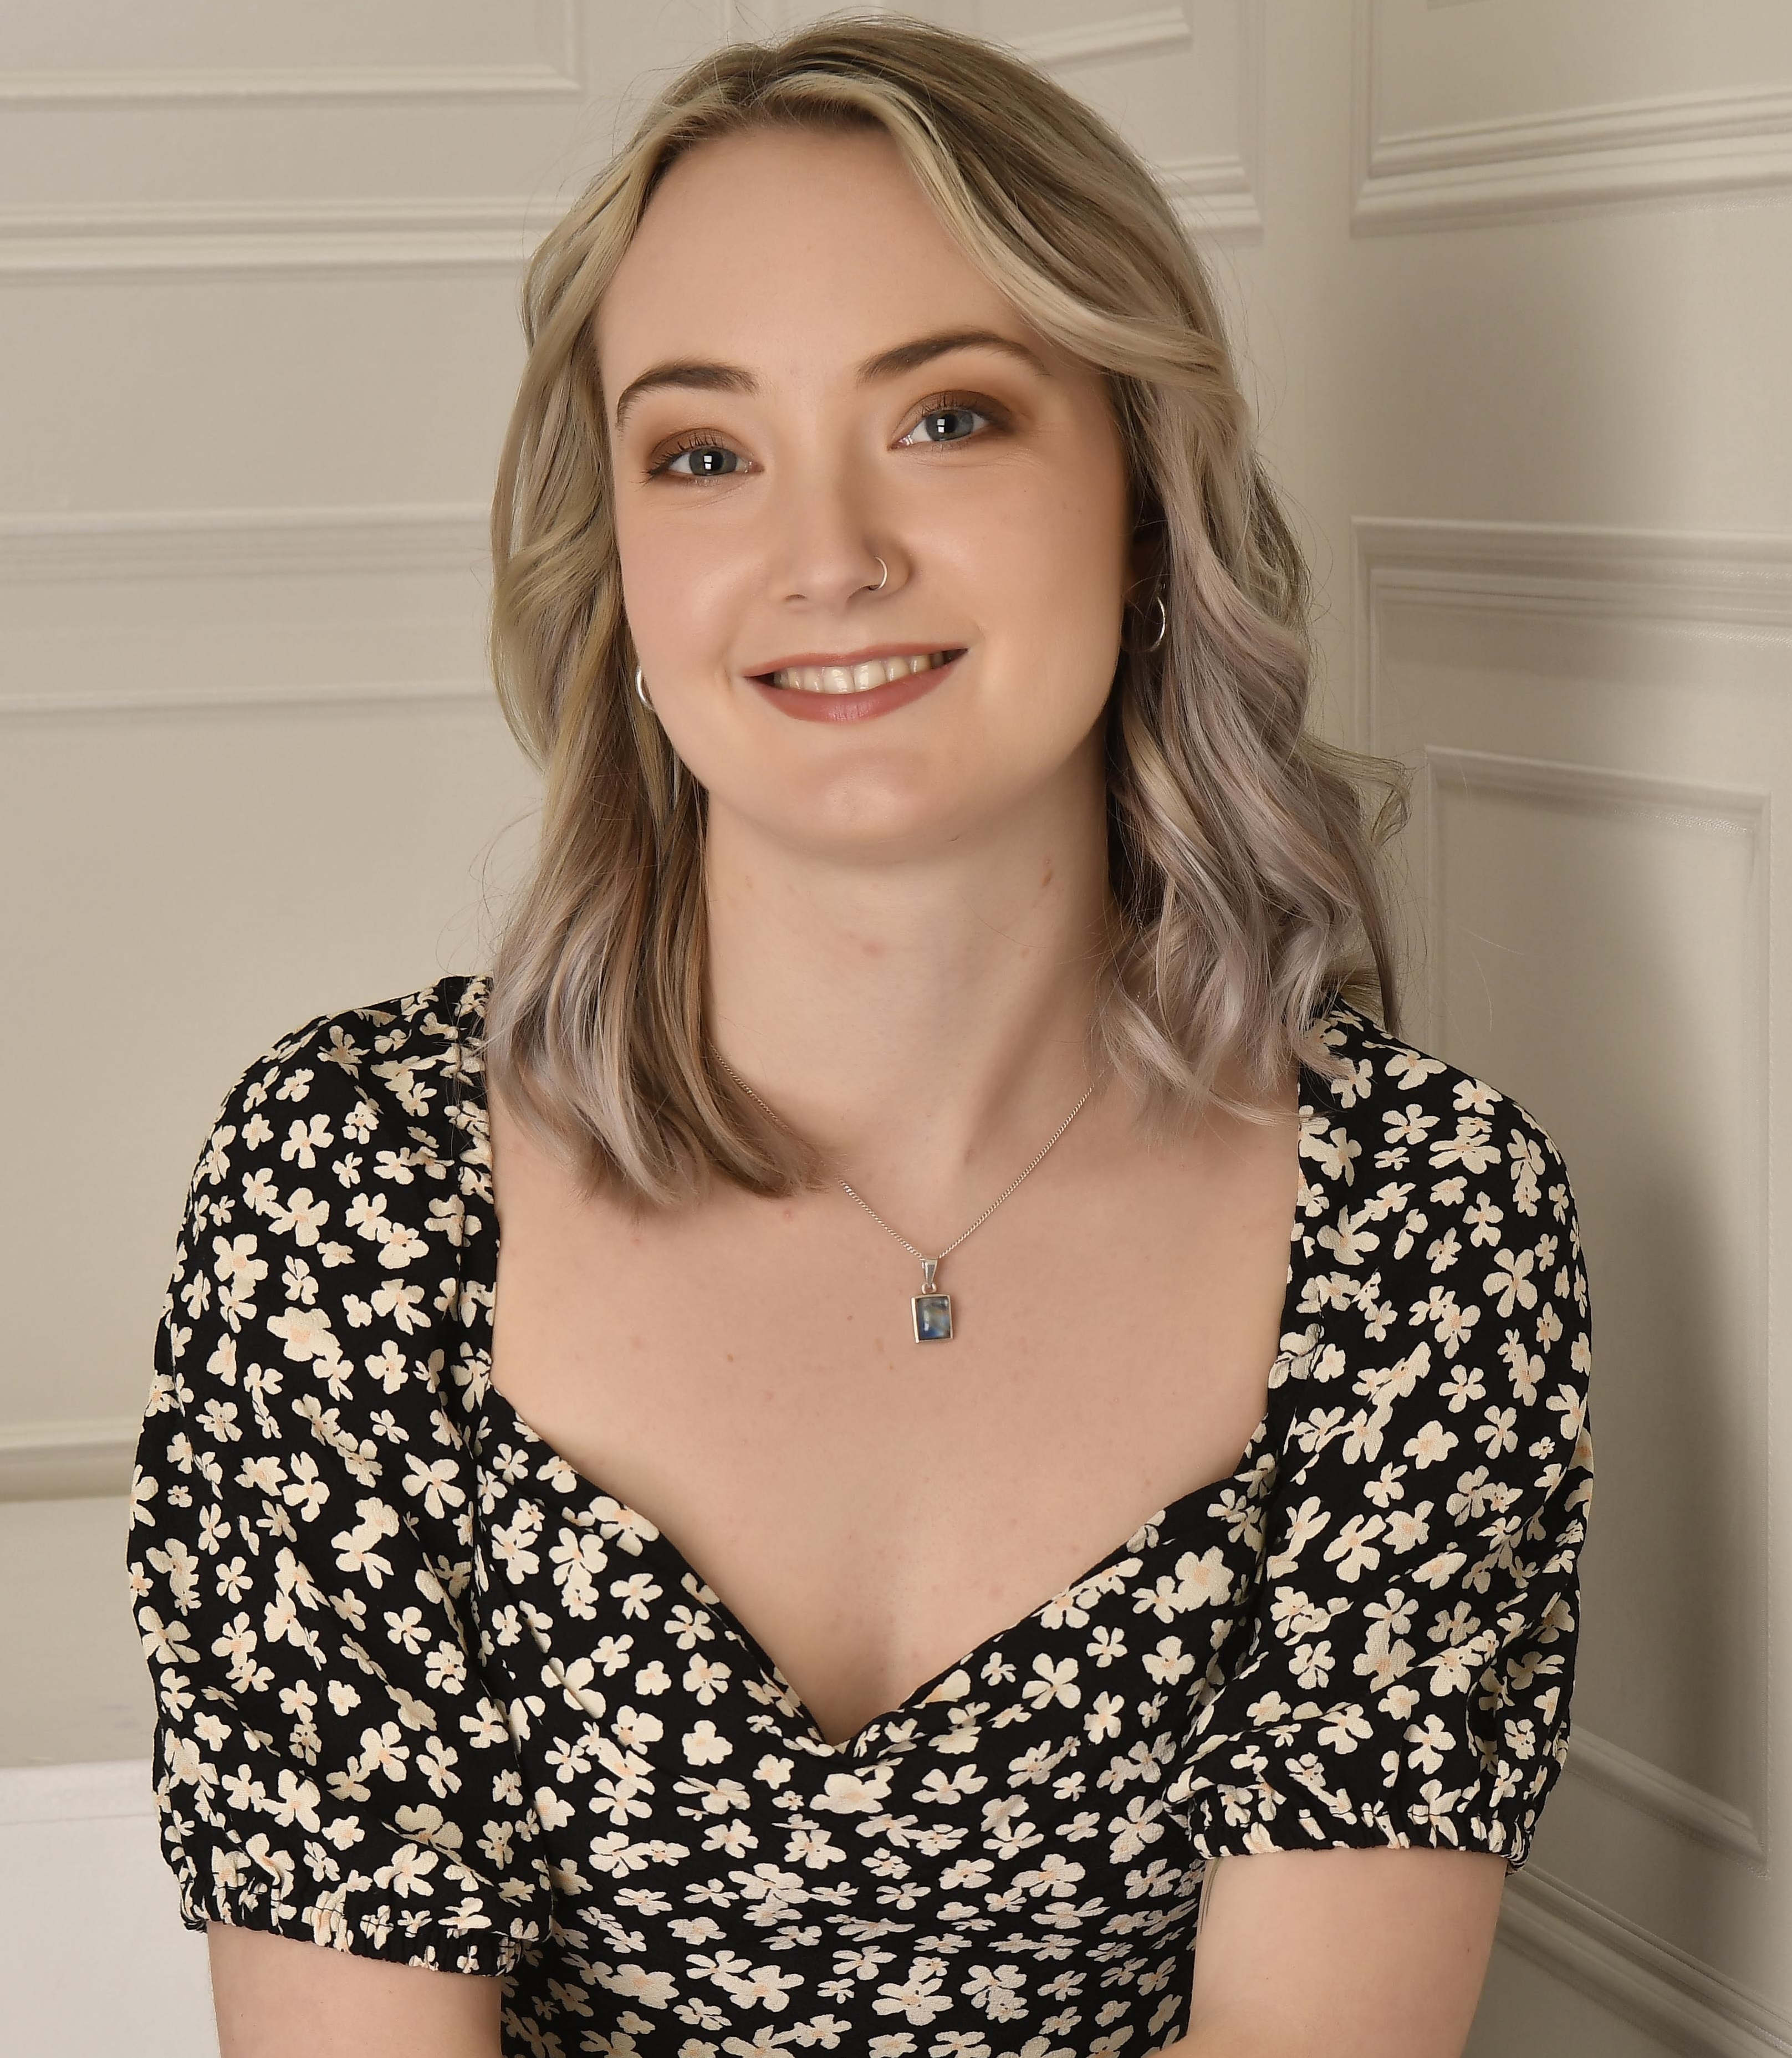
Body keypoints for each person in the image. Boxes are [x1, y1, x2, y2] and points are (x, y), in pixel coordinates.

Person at [127, 17, 1593, 2057]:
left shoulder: (1422, 1223)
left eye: (949, 419)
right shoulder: (348, 1189)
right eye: (703, 452)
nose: (826, 556)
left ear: (1145, 503)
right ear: (625, 562)